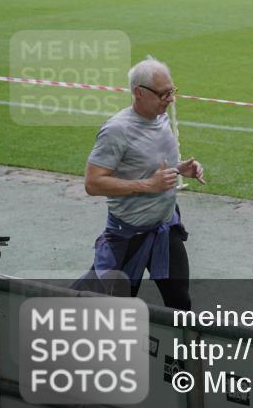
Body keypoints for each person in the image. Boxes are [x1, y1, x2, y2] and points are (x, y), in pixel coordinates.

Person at [71, 57, 204, 311]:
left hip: (165, 229)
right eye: (163, 94)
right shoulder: (116, 130)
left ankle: (183, 340)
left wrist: (180, 169)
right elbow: (93, 183)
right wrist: (147, 186)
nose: (170, 99)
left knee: (180, 301)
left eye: (172, 91)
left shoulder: (161, 119)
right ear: (139, 92)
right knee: (117, 307)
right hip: (127, 236)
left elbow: (152, 167)